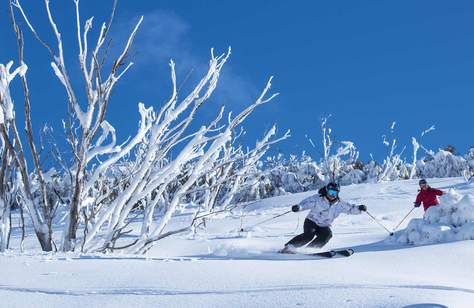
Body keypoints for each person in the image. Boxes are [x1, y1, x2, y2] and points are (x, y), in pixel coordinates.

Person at [280, 182, 367, 253]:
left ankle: (309, 249)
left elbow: (351, 209)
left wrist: (359, 208)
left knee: (327, 235)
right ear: (326, 191)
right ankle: (289, 247)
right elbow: (306, 203)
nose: (332, 195)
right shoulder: (318, 199)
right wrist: (299, 207)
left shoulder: (340, 204)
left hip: (324, 225)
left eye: (335, 193)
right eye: (330, 192)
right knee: (309, 235)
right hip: (311, 221)